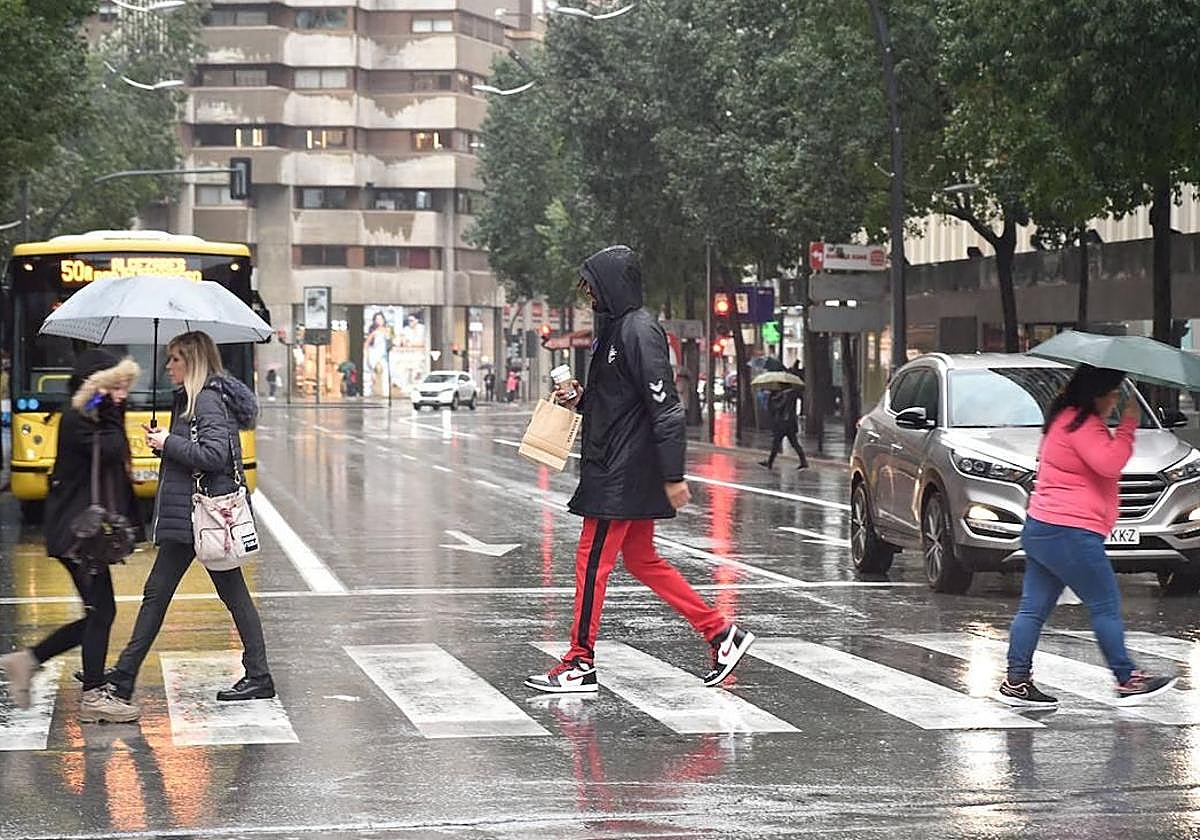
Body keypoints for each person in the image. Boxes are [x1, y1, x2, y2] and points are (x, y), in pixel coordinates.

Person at [525, 245, 754, 694]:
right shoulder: (613, 331)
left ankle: (579, 662)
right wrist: (582, 400)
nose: (587, 294)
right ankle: (721, 634)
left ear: (611, 283)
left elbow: (665, 406)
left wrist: (673, 475)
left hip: (622, 473)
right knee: (642, 560)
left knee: (591, 563)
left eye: (591, 285)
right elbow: (616, 405)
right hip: (617, 465)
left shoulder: (639, 330)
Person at [107, 331, 276, 706]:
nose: (168, 367)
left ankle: (124, 677)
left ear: (193, 362)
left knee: (173, 595)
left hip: (201, 515)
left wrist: (168, 443)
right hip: (192, 515)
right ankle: (124, 675)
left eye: (175, 360)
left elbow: (214, 455)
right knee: (170, 594)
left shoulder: (208, 400)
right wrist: (165, 440)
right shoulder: (192, 399)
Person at [998, 364, 1175, 707]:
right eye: (1112, 395)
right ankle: (1127, 679)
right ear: (1097, 395)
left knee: (1032, 610)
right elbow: (1109, 464)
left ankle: (1016, 681)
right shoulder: (1084, 424)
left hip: (1043, 527)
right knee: (1105, 605)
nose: (1114, 402)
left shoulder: (1062, 418)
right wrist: (1128, 425)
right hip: (1071, 531)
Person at [1, 350, 141, 723]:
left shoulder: (91, 413)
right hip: (77, 533)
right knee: (101, 611)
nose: (123, 392)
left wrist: (114, 408)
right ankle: (91, 694)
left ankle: (29, 661)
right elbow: (110, 449)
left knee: (101, 610)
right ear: (99, 383)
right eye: (118, 384)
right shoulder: (80, 417)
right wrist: (114, 410)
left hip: (82, 530)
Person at [759, 386, 808, 470]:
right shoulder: (792, 394)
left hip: (782, 424)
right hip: (790, 423)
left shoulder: (782, 396)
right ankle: (803, 461)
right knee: (794, 443)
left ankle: (770, 463)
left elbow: (777, 407)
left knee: (776, 444)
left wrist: (772, 399)